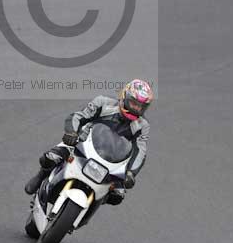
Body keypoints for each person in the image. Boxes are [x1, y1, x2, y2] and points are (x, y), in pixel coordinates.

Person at [25, 79, 153, 205]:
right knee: (51, 157)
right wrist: (72, 132)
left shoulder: (142, 125)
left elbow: (140, 151)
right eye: (133, 103)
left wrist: (131, 173)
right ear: (125, 96)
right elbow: (78, 116)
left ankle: (93, 203)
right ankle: (41, 176)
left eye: (140, 106)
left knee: (117, 195)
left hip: (112, 161)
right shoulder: (103, 103)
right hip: (83, 143)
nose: (136, 108)